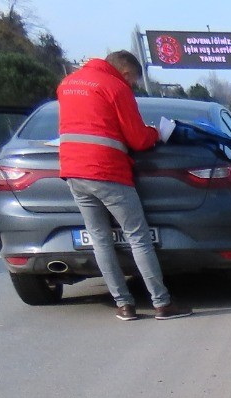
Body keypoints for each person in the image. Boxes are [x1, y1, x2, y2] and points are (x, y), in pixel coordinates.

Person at [56, 50, 192, 321]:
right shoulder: (116, 87)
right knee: (137, 237)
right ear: (127, 73)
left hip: (73, 172)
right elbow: (138, 139)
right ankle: (162, 303)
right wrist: (157, 133)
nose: (131, 86)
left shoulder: (67, 84)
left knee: (100, 240)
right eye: (133, 82)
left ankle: (124, 306)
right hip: (107, 171)